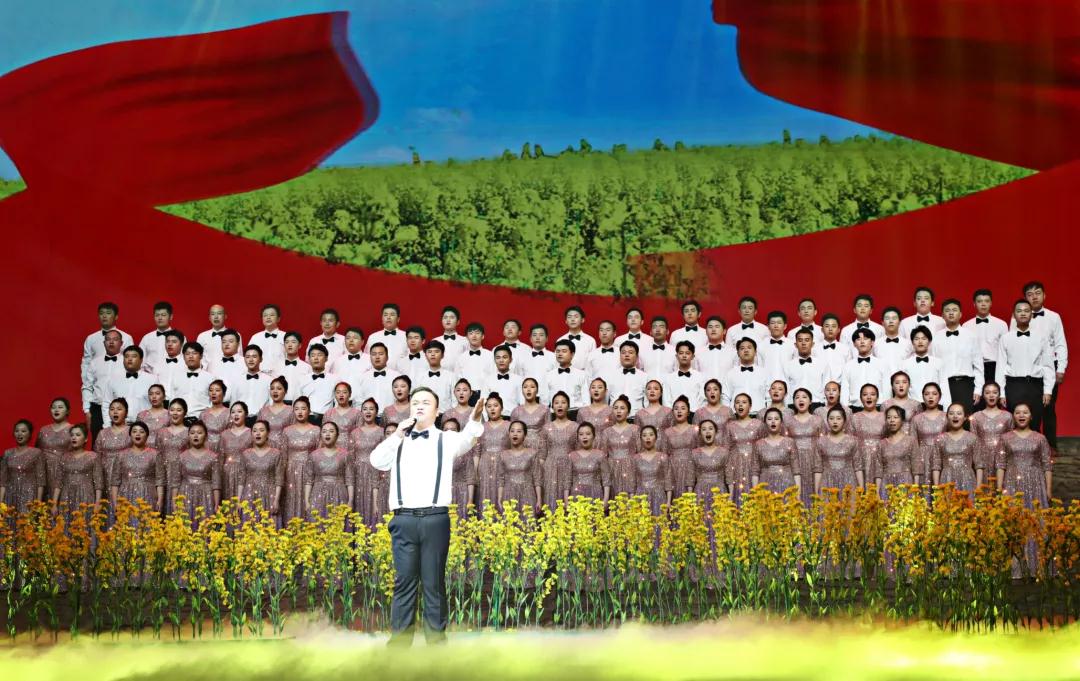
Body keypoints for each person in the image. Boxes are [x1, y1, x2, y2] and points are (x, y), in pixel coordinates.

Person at [369, 385, 485, 647]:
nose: (419, 406)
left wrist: (476, 416)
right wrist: (397, 434)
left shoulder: (446, 439)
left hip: (435, 518)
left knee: (433, 583)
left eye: (425, 403)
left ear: (437, 411)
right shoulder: (398, 440)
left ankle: (436, 643)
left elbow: (468, 438)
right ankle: (400, 645)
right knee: (404, 582)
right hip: (404, 519)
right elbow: (376, 460)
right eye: (415, 403)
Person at [1021, 281, 1068, 449]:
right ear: (1025, 298)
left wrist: (1060, 368)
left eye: (1037, 293)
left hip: (1049, 366)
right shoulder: (1018, 316)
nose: (1034, 297)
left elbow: (1060, 344)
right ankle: (1030, 446)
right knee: (1029, 407)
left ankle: (1050, 446)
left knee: (1048, 408)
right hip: (1027, 367)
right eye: (1030, 294)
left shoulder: (1054, 317)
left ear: (1044, 295)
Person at [998, 299, 1055, 433]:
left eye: (1026, 311)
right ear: (1014, 315)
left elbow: (1048, 366)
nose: (1023, 313)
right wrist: (1001, 392)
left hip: (1035, 385)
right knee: (1013, 425)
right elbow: (1000, 367)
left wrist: (1048, 390)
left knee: (1034, 423)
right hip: (1013, 386)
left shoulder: (1041, 337)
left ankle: (1035, 447)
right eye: (1019, 311)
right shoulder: (1006, 338)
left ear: (1031, 314)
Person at [995, 403, 1052, 509]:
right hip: (1012, 481)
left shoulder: (1040, 438)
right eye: (1017, 413)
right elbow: (1000, 464)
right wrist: (999, 488)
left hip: (1035, 482)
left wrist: (1048, 489)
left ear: (1031, 416)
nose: (1021, 415)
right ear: (1013, 416)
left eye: (1025, 412)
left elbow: (1047, 465)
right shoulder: (1005, 438)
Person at [935, 299, 984, 415]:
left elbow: (978, 365)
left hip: (966, 385)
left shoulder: (971, 336)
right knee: (945, 418)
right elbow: (933, 365)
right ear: (942, 315)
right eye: (947, 310)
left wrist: (978, 389)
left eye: (954, 310)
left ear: (960, 314)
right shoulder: (936, 337)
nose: (951, 313)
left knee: (966, 419)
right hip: (944, 385)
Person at [51, 424, 104, 525]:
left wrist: (97, 503)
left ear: (86, 439)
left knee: (84, 526)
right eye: (72, 435)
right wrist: (54, 504)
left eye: (78, 435)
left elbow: (98, 483)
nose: (74, 437)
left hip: (86, 496)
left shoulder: (93, 457)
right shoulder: (64, 457)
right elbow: (58, 482)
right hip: (66, 496)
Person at [172, 421, 222, 527]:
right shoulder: (181, 456)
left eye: (199, 433)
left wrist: (216, 503)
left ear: (206, 436)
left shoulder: (213, 457)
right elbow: (175, 481)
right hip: (185, 493)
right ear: (188, 436)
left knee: (205, 527)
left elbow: (216, 483)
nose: (195, 435)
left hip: (205, 495)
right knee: (185, 526)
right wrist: (174, 501)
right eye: (192, 433)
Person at [236, 420, 285, 526]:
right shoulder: (245, 454)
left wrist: (276, 500)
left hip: (269, 495)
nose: (258, 433)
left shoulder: (276, 454)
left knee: (269, 528)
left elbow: (279, 478)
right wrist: (238, 500)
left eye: (261, 430)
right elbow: (241, 479)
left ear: (268, 433)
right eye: (254, 431)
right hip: (249, 495)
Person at [280, 397, 321, 525]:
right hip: (290, 471)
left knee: (309, 499)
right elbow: (283, 456)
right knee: (291, 499)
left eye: (303, 409)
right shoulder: (287, 431)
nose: (300, 412)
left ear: (309, 410)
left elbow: (318, 455)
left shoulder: (316, 430)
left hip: (309, 471)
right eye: (297, 409)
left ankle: (309, 531)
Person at [109, 422, 164, 516]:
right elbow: (115, 481)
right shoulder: (121, 455)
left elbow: (160, 480)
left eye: (141, 432)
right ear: (130, 435)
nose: (137, 434)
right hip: (126, 495)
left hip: (148, 495)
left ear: (147, 435)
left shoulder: (155, 454)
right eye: (134, 431)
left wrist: (160, 500)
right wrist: (115, 502)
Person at [303, 421, 354, 522]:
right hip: (318, 494)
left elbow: (350, 480)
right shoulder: (313, 455)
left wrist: (350, 501)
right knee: (317, 525)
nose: (327, 434)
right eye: (324, 431)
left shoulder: (345, 455)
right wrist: (307, 501)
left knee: (338, 525)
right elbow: (308, 480)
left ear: (337, 435)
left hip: (339, 494)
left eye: (331, 431)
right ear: (321, 435)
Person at [348, 398, 386, 527]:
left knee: (375, 504)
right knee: (357, 503)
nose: (368, 412)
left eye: (371, 409)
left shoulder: (382, 432)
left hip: (376, 472)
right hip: (357, 473)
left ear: (376, 412)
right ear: (361, 412)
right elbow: (350, 457)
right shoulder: (354, 433)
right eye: (365, 409)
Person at [82, 329, 126, 438]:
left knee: (121, 440)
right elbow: (87, 387)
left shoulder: (127, 362)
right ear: (104, 343)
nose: (111, 342)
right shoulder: (94, 362)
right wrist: (87, 410)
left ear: (121, 343)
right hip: (97, 409)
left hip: (120, 409)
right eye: (108, 339)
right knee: (97, 441)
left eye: (115, 339)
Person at [723, 393, 766, 505]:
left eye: (744, 402)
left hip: (754, 465)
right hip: (736, 467)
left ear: (750, 406)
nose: (740, 405)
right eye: (737, 403)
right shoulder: (729, 426)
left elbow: (763, 448)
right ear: (734, 407)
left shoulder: (759, 424)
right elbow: (726, 450)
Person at [472, 393, 511, 514]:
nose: (492, 409)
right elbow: (477, 451)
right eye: (489, 406)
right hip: (485, 466)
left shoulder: (509, 426)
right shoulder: (481, 427)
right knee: (485, 495)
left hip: (503, 465)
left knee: (504, 496)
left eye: (495, 405)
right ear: (485, 409)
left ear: (502, 408)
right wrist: (475, 472)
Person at [931, 404, 981, 495]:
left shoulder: (972, 438)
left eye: (959, 413)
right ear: (947, 417)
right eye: (951, 413)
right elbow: (936, 466)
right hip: (947, 480)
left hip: (967, 480)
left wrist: (978, 488)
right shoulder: (940, 439)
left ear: (965, 417)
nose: (955, 416)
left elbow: (979, 465)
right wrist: (937, 488)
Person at [81, 302, 133, 388]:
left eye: (108, 313)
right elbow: (86, 362)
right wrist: (87, 384)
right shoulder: (91, 338)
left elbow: (130, 362)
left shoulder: (126, 337)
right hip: (97, 384)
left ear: (116, 316)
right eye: (101, 313)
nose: (104, 316)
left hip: (119, 383)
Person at [596, 395, 640, 497]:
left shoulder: (635, 429)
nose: (618, 411)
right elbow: (603, 456)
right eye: (616, 408)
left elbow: (640, 453)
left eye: (622, 408)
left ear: (628, 412)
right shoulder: (607, 432)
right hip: (612, 469)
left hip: (630, 468)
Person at [963, 289, 1009, 388]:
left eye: (986, 301)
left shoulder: (1001, 324)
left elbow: (1006, 350)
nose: (983, 304)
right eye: (979, 301)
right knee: (975, 396)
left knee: (995, 395)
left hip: (995, 367)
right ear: (974, 304)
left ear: (991, 303)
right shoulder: (966, 326)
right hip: (973, 367)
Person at [540, 392, 577, 513]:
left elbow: (578, 451)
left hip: (569, 467)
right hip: (550, 468)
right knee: (551, 500)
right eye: (556, 403)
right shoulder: (546, 428)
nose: (560, 405)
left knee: (569, 502)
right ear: (552, 406)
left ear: (568, 406)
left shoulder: (575, 427)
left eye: (563, 402)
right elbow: (542, 453)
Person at [813, 407, 863, 494]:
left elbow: (858, 466)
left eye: (838, 418)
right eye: (831, 418)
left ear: (844, 421)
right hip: (827, 482)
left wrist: (861, 488)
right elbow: (818, 468)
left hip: (848, 482)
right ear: (827, 421)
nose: (835, 421)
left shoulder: (853, 441)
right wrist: (816, 491)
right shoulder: (820, 441)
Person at [154, 398, 191, 514]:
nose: (175, 413)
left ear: (185, 413)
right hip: (163, 473)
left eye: (179, 410)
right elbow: (157, 455)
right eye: (172, 410)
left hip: (182, 475)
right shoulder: (161, 432)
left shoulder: (189, 432)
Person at [0, 420, 46, 514]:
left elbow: (41, 481)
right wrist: (1, 503)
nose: (19, 434)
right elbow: (3, 481)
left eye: (23, 431)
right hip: (10, 496)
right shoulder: (7, 453)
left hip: (28, 496)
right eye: (17, 431)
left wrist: (38, 504)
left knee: (26, 522)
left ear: (30, 434)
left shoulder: (36, 453)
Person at [787, 388, 823, 508]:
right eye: (797, 397)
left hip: (814, 460)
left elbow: (823, 442)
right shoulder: (788, 421)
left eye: (804, 397)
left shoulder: (818, 420)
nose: (800, 400)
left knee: (815, 490)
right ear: (793, 402)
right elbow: (784, 443)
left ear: (810, 401)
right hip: (794, 461)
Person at [873, 406, 919, 499]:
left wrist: (915, 489)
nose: (892, 420)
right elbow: (878, 470)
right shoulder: (881, 444)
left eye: (896, 417)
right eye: (889, 417)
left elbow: (916, 467)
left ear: (902, 420)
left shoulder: (911, 441)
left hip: (906, 483)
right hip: (886, 484)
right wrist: (877, 492)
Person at [497, 421, 542, 516]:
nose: (515, 434)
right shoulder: (503, 455)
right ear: (509, 434)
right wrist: (499, 498)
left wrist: (539, 499)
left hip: (528, 495)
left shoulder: (532, 453)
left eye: (519, 431)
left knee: (528, 522)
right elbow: (500, 479)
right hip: (508, 495)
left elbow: (537, 478)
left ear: (525, 435)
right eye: (512, 431)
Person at [751, 409, 801, 494]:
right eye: (769, 419)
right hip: (765, 487)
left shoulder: (790, 442)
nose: (773, 421)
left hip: (787, 486)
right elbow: (755, 472)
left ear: (781, 423)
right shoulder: (758, 444)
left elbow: (796, 471)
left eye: (776, 419)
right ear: (765, 423)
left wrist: (798, 494)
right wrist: (755, 494)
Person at [969, 382, 1013, 477]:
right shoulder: (976, 417)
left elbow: (1012, 441)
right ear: (983, 395)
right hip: (982, 460)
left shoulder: (1008, 416)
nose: (991, 395)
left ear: (999, 395)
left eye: (995, 392)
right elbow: (973, 443)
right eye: (987, 392)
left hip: (1003, 459)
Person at [911, 383, 947, 497]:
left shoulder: (947, 417)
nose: (930, 397)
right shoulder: (916, 419)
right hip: (923, 459)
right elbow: (913, 445)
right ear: (922, 397)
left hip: (942, 456)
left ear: (940, 396)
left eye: (934, 394)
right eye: (927, 394)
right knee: (924, 492)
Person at [103, 345, 155, 420]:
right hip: (120, 425)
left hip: (144, 424)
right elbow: (106, 404)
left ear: (141, 360)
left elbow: (158, 405)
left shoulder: (152, 379)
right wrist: (108, 424)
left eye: (134, 356)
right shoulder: (113, 380)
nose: (130, 359)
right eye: (126, 356)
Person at [842, 329, 888, 409]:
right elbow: (844, 390)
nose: (862, 342)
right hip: (854, 408)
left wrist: (886, 409)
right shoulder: (848, 366)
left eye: (865, 339)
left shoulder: (882, 364)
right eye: (858, 339)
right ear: (854, 344)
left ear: (872, 342)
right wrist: (845, 410)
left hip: (878, 408)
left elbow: (887, 389)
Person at [662, 397, 699, 498]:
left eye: (683, 408)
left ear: (688, 412)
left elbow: (700, 452)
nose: (679, 411)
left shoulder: (695, 430)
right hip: (672, 469)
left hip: (691, 468)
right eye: (676, 408)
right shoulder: (667, 432)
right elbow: (664, 455)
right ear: (672, 412)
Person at [566, 422, 611, 506]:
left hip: (595, 495)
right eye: (581, 434)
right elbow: (567, 481)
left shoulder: (600, 455)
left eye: (588, 434)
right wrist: (566, 500)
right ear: (577, 437)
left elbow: (606, 480)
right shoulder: (571, 456)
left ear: (594, 436)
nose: (584, 437)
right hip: (576, 495)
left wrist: (605, 500)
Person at [169, 342, 215, 420]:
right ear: (183, 357)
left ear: (201, 356)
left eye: (194, 353)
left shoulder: (210, 378)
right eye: (187, 354)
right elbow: (172, 400)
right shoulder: (176, 377)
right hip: (180, 420)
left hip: (202, 420)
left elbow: (213, 402)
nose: (190, 356)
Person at [722, 338, 770, 413]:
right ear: (738, 353)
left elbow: (769, 397)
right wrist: (729, 414)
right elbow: (725, 397)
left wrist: (767, 413)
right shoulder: (730, 373)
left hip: (759, 414)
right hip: (736, 415)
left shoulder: (764, 373)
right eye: (742, 348)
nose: (746, 350)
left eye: (749, 348)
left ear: (755, 352)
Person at [634, 425, 673, 515]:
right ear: (640, 439)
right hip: (641, 496)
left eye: (651, 434)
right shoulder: (636, 458)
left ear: (656, 438)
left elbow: (668, 480)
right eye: (644, 435)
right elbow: (633, 482)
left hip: (658, 496)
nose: (648, 438)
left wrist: (668, 502)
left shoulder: (663, 457)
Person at [850, 385, 886, 483]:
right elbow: (850, 442)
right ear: (861, 398)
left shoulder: (885, 417)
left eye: (873, 394)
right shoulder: (854, 417)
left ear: (877, 398)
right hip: (860, 459)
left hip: (881, 458)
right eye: (865, 394)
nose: (869, 397)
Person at [36, 398, 72, 494]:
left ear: (67, 411)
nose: (56, 410)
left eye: (60, 407)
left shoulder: (73, 430)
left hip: (62, 472)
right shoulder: (43, 430)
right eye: (54, 407)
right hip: (42, 471)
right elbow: (36, 452)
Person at [220, 402, 253, 500]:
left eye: (239, 411)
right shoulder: (224, 434)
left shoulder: (251, 433)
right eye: (233, 412)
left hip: (246, 473)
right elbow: (220, 458)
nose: (236, 415)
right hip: (227, 474)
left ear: (246, 414)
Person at [785, 328, 825, 408]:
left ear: (812, 344)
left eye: (807, 340)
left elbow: (826, 386)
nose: (803, 343)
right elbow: (786, 388)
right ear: (795, 344)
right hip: (794, 405)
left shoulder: (822, 364)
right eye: (800, 340)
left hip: (817, 403)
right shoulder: (788, 365)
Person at [93, 398, 131, 481]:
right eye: (112, 409)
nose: (115, 412)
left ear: (126, 412)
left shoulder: (132, 432)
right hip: (105, 476)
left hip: (126, 476)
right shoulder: (102, 433)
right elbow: (97, 459)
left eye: (119, 409)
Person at [544, 340, 589, 410]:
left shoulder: (582, 374)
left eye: (564, 351)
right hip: (555, 413)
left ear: (572, 354)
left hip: (576, 412)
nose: (560, 354)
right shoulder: (549, 375)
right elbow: (544, 401)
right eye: (558, 351)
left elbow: (586, 400)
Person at [693, 419, 729, 505]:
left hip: (719, 491)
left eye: (710, 428)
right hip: (700, 492)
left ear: (716, 432)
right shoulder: (694, 453)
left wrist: (730, 496)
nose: (707, 431)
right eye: (704, 429)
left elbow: (729, 476)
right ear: (700, 434)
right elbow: (690, 478)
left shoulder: (724, 452)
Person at [662, 341, 706, 411]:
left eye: (687, 353)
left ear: (693, 356)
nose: (684, 356)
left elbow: (702, 399)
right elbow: (666, 401)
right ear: (676, 356)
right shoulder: (669, 378)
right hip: (674, 414)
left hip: (695, 414)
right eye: (681, 353)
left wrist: (695, 413)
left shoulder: (700, 377)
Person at [299, 344, 336, 423]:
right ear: (309, 359)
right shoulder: (302, 379)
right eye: (313, 355)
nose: (316, 358)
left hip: (327, 420)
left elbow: (337, 403)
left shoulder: (335, 379)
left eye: (319, 355)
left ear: (326, 358)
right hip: (306, 420)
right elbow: (297, 402)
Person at [231, 345, 271, 416]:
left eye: (254, 356)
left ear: (261, 359)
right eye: (247, 357)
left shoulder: (269, 380)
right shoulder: (237, 380)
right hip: (241, 419)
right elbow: (233, 403)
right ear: (244, 359)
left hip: (262, 419)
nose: (251, 360)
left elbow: (271, 404)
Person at [137, 301, 178, 371]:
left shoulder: (179, 337)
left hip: (171, 374)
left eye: (163, 315)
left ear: (171, 317)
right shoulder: (146, 338)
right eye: (157, 315)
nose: (160, 318)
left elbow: (183, 359)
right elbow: (140, 359)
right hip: (149, 375)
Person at [414, 340, 455, 410]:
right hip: (425, 414)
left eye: (436, 351)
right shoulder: (419, 377)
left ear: (442, 355)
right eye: (429, 352)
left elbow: (455, 400)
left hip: (446, 414)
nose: (433, 354)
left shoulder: (451, 376)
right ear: (425, 355)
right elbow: (415, 399)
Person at [482, 345, 523, 412]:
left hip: (513, 416)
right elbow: (483, 403)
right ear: (494, 360)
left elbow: (523, 403)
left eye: (505, 357)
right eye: (498, 358)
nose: (501, 360)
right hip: (493, 417)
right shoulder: (488, 380)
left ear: (511, 360)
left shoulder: (519, 380)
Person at [256, 377, 295, 450]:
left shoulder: (291, 411)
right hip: (266, 449)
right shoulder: (263, 411)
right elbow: (257, 433)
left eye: (279, 389)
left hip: (285, 449)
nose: (275, 391)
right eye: (272, 388)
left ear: (285, 391)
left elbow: (294, 434)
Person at [510, 378, 547, 450]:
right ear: (522, 391)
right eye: (525, 387)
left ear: (537, 391)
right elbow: (512, 436)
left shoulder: (545, 410)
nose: (528, 389)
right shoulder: (516, 411)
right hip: (521, 449)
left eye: (532, 387)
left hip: (540, 448)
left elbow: (548, 434)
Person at [357, 343, 395, 412]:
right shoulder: (362, 378)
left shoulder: (396, 377)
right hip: (368, 416)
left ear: (387, 357)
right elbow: (358, 401)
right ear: (370, 357)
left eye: (381, 354)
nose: (377, 357)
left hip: (390, 416)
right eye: (374, 354)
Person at [875, 307, 913, 376]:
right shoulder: (875, 344)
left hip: (902, 381)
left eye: (894, 318)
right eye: (887, 318)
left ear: (899, 322)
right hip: (881, 381)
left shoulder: (908, 344)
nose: (891, 321)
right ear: (882, 323)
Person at [760, 310, 796, 383]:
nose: (776, 326)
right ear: (768, 326)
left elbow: (796, 367)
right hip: (766, 386)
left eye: (779, 323)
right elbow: (758, 368)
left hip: (787, 386)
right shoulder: (761, 345)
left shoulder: (792, 345)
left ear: (785, 326)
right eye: (772, 323)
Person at [455, 322, 494, 388]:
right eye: (471, 333)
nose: (474, 336)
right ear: (467, 337)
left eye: (477, 333)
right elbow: (457, 379)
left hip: (486, 392)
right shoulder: (461, 357)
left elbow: (494, 376)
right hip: (466, 393)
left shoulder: (490, 355)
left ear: (483, 336)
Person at [277, 332, 312, 402]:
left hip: (299, 405)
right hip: (280, 404)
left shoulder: (307, 368)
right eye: (287, 342)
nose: (290, 345)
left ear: (300, 345)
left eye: (293, 342)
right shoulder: (276, 366)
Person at [519, 324, 556, 391]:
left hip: (548, 395)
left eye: (541, 335)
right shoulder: (522, 357)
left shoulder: (554, 357)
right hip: (528, 395)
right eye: (534, 335)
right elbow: (519, 379)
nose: (537, 338)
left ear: (547, 339)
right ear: (530, 339)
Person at [557, 305, 596, 370]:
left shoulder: (590, 340)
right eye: (569, 317)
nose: (572, 319)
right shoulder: (560, 340)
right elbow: (557, 363)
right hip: (565, 374)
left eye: (576, 316)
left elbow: (593, 363)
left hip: (584, 375)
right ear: (566, 321)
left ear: (582, 320)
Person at [815, 313, 850, 383]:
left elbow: (848, 371)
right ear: (822, 329)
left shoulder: (845, 349)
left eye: (833, 326)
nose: (830, 329)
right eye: (827, 326)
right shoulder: (814, 349)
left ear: (838, 330)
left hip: (840, 387)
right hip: (819, 387)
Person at [254, 304, 286, 374]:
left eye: (272, 315)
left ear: (278, 318)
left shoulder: (285, 336)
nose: (268, 317)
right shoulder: (255, 338)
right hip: (260, 376)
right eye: (265, 315)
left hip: (280, 376)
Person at [201, 380, 231, 451]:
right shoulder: (203, 414)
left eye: (217, 390)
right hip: (206, 450)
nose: (213, 393)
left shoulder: (229, 413)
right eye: (211, 390)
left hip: (224, 449)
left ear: (224, 393)